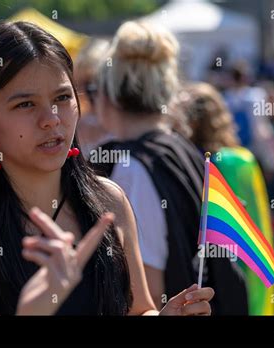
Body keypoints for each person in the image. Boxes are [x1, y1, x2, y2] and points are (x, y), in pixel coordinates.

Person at [0, 21, 214, 316]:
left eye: (61, 97)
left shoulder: (109, 200)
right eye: (25, 104)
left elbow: (138, 309)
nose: (51, 119)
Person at [92, 21, 241, 314]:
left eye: (92, 87)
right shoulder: (180, 149)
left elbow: (146, 295)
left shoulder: (132, 168)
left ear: (109, 93)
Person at [175, 82, 274, 315]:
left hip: (220, 271)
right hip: (244, 270)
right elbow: (261, 223)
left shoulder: (216, 163)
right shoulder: (242, 159)